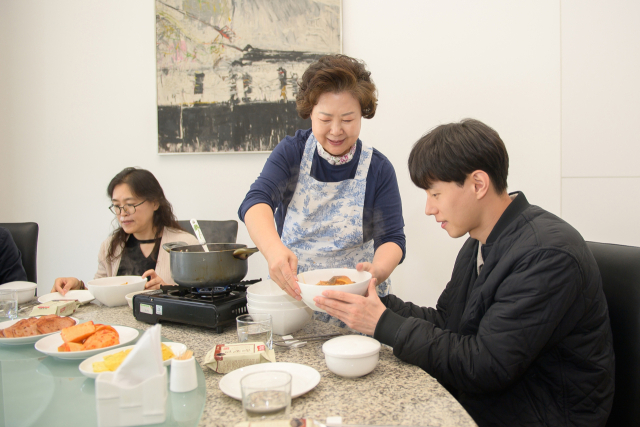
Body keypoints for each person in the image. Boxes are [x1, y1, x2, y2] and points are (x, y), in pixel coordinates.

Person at [313, 119, 615, 426]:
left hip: (543, 413)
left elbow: (487, 365)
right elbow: (449, 323)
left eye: (435, 194)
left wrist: (384, 324)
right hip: (500, 400)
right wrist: (373, 304)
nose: (429, 209)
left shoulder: (546, 255)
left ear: (478, 184)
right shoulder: (479, 242)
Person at [238, 54, 406, 326]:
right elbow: (256, 201)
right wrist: (273, 250)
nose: (336, 130)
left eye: (348, 119)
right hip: (292, 306)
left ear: (362, 115)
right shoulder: (292, 153)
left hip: (356, 309)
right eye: (325, 118)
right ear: (310, 113)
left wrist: (378, 270)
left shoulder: (378, 169)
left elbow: (393, 238)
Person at [52, 167, 198, 295]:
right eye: (117, 206)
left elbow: (204, 296)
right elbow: (98, 296)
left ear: (154, 203)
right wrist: (77, 286)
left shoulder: (186, 245)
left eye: (130, 204)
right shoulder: (110, 247)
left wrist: (169, 290)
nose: (123, 213)